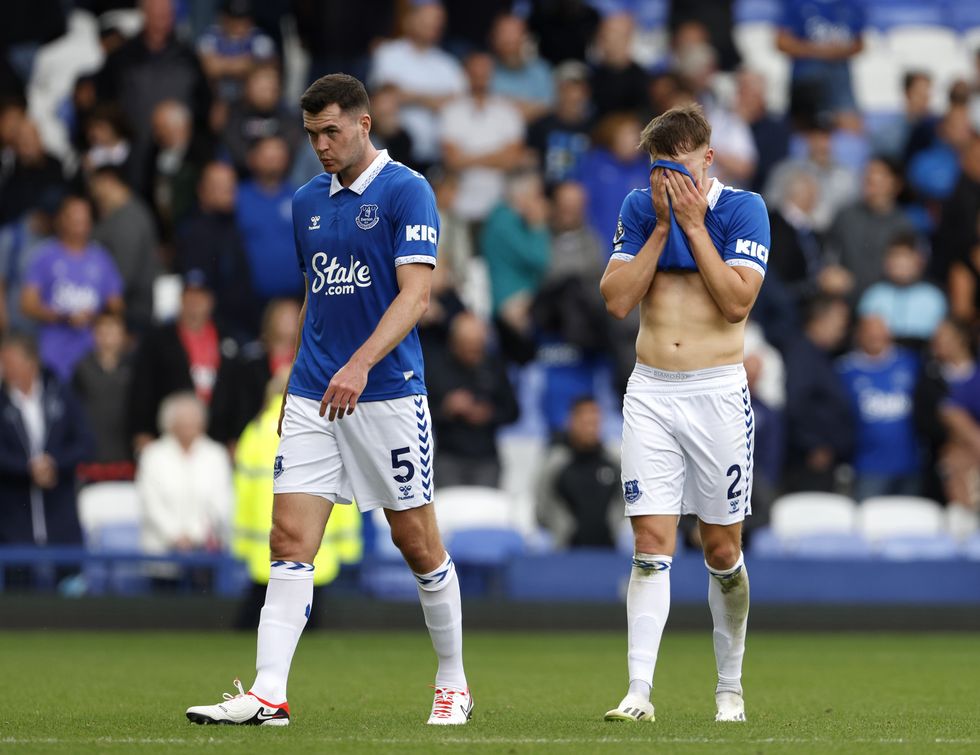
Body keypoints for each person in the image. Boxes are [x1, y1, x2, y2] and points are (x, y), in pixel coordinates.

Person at [186, 74, 472, 726]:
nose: (320, 144)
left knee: (416, 540)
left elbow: (416, 295)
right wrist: (296, 379)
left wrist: (361, 362)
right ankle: (268, 692)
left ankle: (454, 681)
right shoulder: (306, 202)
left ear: (364, 124)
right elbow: (319, 294)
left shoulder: (408, 190)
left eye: (332, 131)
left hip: (387, 391)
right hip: (318, 389)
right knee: (288, 537)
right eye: (312, 133)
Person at [598, 104, 770, 724]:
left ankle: (730, 687)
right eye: (657, 170)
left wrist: (695, 228)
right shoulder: (639, 210)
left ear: (707, 159)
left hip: (717, 392)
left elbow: (735, 304)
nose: (667, 183)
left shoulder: (743, 210)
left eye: (678, 169)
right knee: (650, 545)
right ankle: (638, 692)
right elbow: (617, 301)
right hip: (651, 393)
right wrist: (663, 229)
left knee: (721, 550)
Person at [233, 371, 363, 629]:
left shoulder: (256, 432)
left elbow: (243, 492)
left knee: (263, 619)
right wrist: (348, 546)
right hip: (318, 548)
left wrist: (242, 544)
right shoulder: (325, 426)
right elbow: (341, 490)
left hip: (265, 547)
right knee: (305, 625)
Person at [0, 332, 91, 584]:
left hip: (60, 512)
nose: (4, 369)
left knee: (70, 589)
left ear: (31, 363)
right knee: (18, 593)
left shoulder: (61, 394)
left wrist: (54, 463)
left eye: (10, 362)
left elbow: (85, 442)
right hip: (13, 519)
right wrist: (27, 468)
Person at [20, 195, 125, 381]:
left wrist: (93, 316)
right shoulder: (45, 256)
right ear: (61, 219)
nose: (79, 224)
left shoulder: (101, 258)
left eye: (84, 218)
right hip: (53, 353)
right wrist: (64, 316)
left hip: (93, 355)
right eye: (73, 217)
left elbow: (116, 305)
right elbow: (27, 304)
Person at [136, 392, 233, 584]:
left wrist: (193, 535)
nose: (188, 427)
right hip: (161, 556)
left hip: (204, 556)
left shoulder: (216, 455)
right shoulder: (152, 455)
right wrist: (175, 536)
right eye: (182, 422)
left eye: (193, 421)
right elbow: (150, 503)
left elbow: (220, 502)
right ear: (170, 424)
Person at [426, 311, 519, 487]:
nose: (473, 352)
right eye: (467, 346)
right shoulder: (436, 368)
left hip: (487, 458)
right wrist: (447, 409)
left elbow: (513, 411)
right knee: (450, 511)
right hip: (448, 457)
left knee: (486, 512)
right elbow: (421, 414)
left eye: (478, 346)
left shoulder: (495, 366)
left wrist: (489, 414)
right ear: (454, 343)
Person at [836, 315, 922, 500]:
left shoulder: (910, 362)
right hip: (868, 467)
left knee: (911, 524)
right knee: (869, 523)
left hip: (910, 464)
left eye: (879, 333)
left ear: (888, 334)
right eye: (869, 333)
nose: (875, 338)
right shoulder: (845, 370)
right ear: (859, 335)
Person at [781, 295, 854, 492]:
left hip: (824, 457)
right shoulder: (802, 354)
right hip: (810, 460)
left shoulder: (819, 354)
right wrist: (813, 445)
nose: (843, 330)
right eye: (840, 322)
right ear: (820, 320)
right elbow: (795, 403)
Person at [535, 396, 620, 548]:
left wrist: (615, 526)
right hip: (567, 550)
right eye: (585, 423)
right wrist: (560, 528)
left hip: (609, 550)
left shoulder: (613, 462)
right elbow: (542, 503)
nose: (590, 429)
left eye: (594, 423)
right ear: (572, 422)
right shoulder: (556, 463)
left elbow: (626, 499)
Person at [72, 311, 134, 482]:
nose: (107, 336)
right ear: (94, 335)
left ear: (123, 334)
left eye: (113, 330)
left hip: (126, 455)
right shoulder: (81, 368)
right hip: (91, 456)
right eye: (102, 330)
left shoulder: (135, 367)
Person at [857, 233, 947, 349]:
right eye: (895, 257)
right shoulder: (873, 295)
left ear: (920, 261)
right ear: (886, 262)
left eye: (906, 257)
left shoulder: (934, 296)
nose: (900, 264)